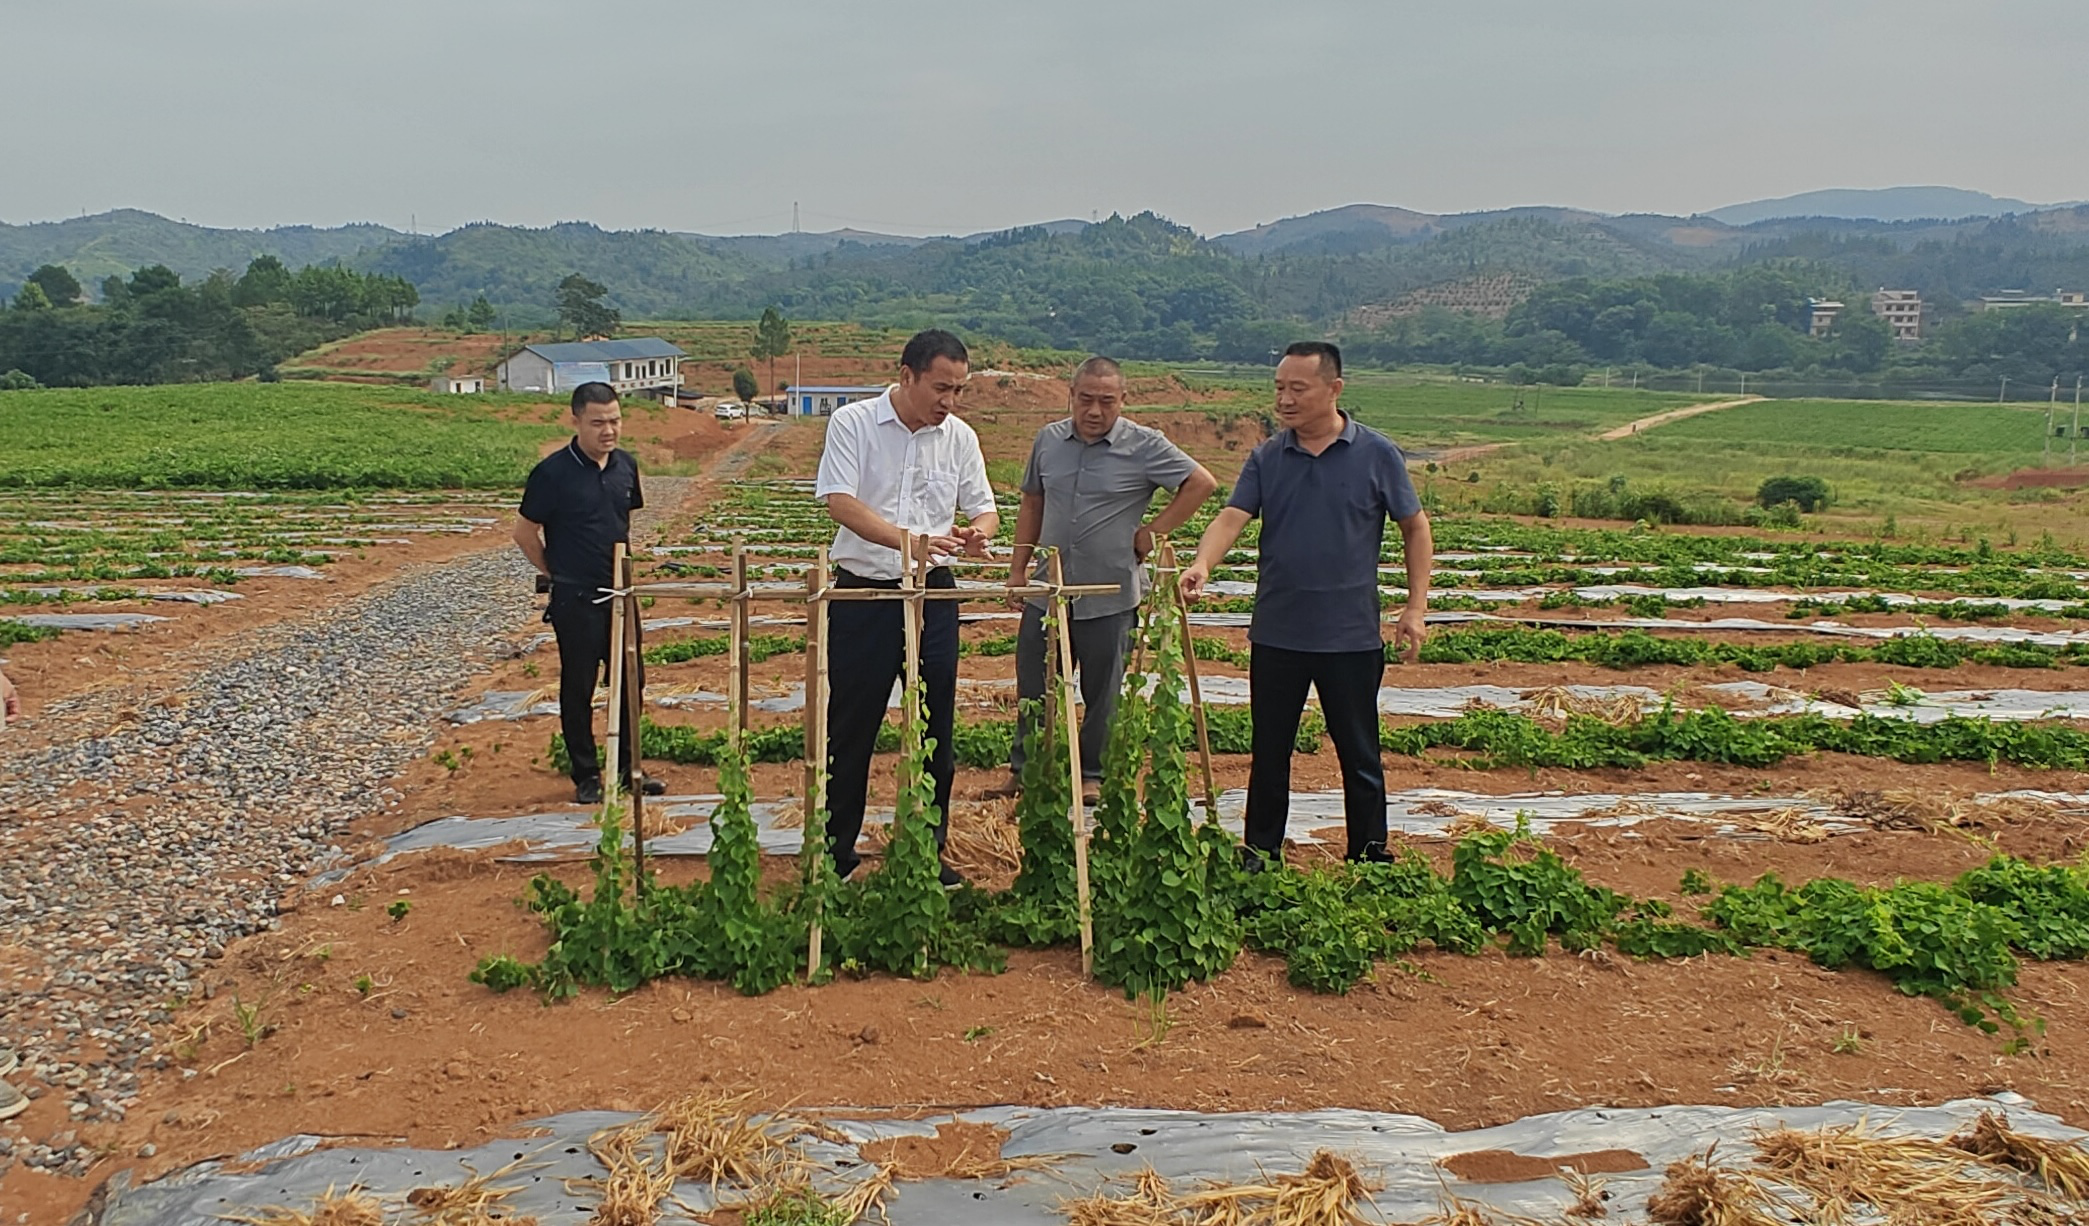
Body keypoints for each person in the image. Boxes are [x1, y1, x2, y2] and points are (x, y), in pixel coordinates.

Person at [1179, 341, 1432, 869]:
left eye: (1298, 388)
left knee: (1359, 752)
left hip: (1351, 636)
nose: (1285, 400)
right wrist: (1203, 563)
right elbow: (1232, 517)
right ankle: (1261, 853)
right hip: (1279, 633)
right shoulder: (1268, 456)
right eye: (1279, 389)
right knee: (1269, 752)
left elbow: (1415, 527)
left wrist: (1415, 607)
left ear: (1334, 390)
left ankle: (1368, 853)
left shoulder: (1377, 454)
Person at [815, 329, 999, 884]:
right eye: (941, 388)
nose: (950, 401)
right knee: (852, 726)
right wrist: (908, 541)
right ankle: (836, 853)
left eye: (959, 390)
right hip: (864, 593)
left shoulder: (959, 437)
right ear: (907, 376)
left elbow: (985, 510)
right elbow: (839, 501)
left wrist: (976, 535)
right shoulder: (853, 424)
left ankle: (926, 851)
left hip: (934, 594)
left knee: (935, 725)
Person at [995, 356, 1216, 803]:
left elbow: (1201, 483)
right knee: (1034, 687)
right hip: (1048, 591)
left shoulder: (1145, 445)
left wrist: (1153, 532)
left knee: (1103, 691)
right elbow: (1032, 504)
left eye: (1106, 402)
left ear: (1123, 401)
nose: (1095, 411)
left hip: (1110, 592)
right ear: (1071, 396)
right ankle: (1026, 769)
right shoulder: (1049, 440)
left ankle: (1091, 774)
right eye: (1086, 400)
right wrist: (1018, 569)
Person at [513, 382, 666, 805]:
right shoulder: (552, 474)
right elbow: (524, 532)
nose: (608, 430)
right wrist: (554, 572)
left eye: (615, 421)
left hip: (622, 593)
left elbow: (620, 522)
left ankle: (627, 768)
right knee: (578, 686)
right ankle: (586, 774)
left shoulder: (625, 467)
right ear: (576, 420)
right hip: (576, 598)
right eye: (598, 422)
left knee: (630, 680)